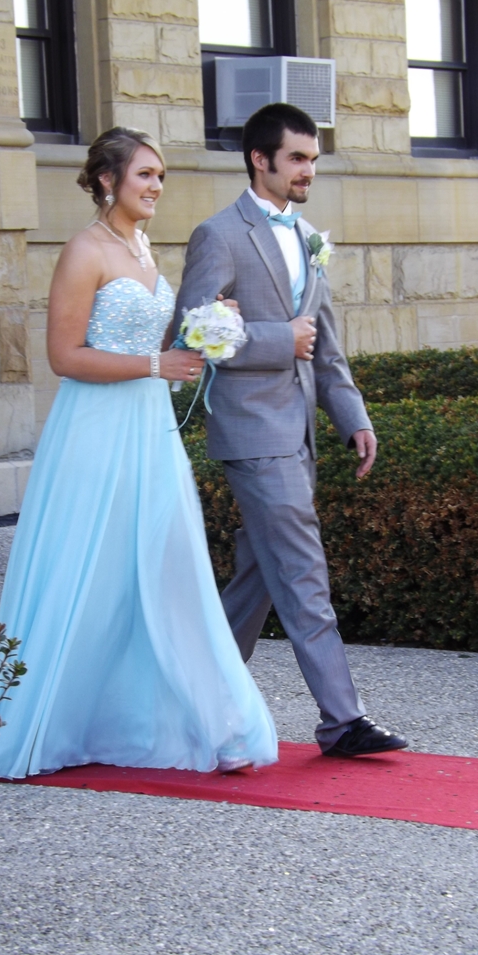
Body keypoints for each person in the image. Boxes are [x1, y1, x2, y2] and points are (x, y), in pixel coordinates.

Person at [0, 127, 278, 779]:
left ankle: (206, 722)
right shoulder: (84, 250)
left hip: (148, 428)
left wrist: (204, 329)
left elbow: (151, 345)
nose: (156, 186)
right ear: (109, 180)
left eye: (160, 176)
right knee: (90, 571)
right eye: (145, 175)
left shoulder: (143, 248)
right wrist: (156, 363)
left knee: (168, 568)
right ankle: (51, 722)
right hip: (95, 432)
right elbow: (65, 356)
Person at [174, 104, 407, 757]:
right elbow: (191, 331)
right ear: (260, 159)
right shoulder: (218, 235)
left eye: (313, 159)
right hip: (253, 433)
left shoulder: (307, 235)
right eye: (297, 158)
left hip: (298, 433)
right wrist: (280, 338)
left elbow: (324, 343)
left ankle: (189, 694)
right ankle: (343, 721)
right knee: (303, 572)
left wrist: (352, 416)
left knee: (258, 576)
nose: (309, 170)